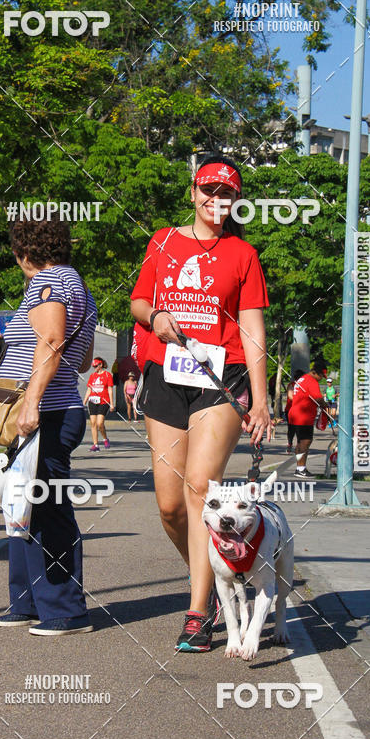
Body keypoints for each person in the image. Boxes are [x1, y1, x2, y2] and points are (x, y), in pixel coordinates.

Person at [130, 152, 271, 653]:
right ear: (193, 193)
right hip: (165, 375)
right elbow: (138, 302)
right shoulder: (163, 241)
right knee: (170, 507)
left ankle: (196, 611)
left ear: (236, 202)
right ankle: (211, 583)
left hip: (221, 378)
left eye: (227, 193)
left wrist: (261, 397)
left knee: (197, 490)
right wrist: (155, 318)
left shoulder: (244, 255)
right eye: (209, 191)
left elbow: (253, 329)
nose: (217, 200)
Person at [0, 218, 97, 636]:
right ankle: (29, 602)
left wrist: (31, 402)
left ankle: (66, 611)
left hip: (46, 412)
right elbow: (84, 360)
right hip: (52, 409)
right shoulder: (80, 287)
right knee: (23, 507)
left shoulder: (47, 282)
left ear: (23, 253)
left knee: (48, 510)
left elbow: (51, 340)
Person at [288, 359, 329, 478]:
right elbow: (318, 398)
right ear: (316, 373)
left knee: (300, 441)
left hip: (295, 414)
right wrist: (325, 406)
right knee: (305, 442)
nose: (321, 378)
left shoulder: (303, 379)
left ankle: (299, 467)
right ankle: (301, 469)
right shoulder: (311, 381)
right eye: (321, 376)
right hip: (303, 416)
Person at [83, 358, 115, 451]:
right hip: (93, 401)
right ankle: (95, 445)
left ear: (101, 365)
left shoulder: (107, 375)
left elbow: (110, 389)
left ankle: (105, 438)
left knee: (100, 423)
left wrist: (112, 404)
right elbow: (89, 389)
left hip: (104, 401)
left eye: (96, 366)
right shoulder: (92, 376)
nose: (95, 368)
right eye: (93, 366)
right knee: (93, 423)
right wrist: (84, 400)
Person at [284, 369, 305, 453]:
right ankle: (290, 443)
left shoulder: (304, 386)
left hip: (300, 410)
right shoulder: (291, 385)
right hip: (290, 410)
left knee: (299, 428)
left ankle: (299, 445)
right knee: (291, 428)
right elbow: (290, 396)